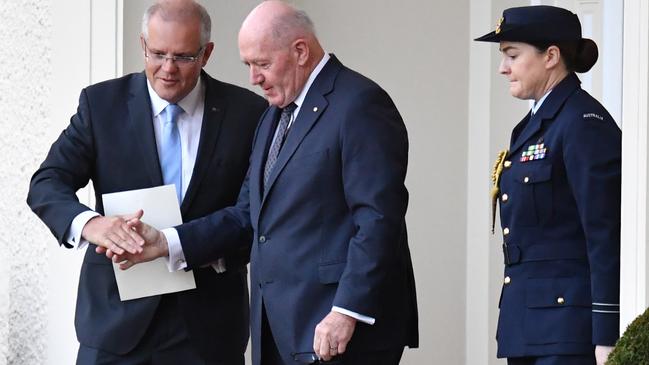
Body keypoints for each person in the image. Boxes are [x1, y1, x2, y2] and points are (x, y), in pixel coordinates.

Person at [107, 1, 419, 364]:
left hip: (339, 332)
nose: (253, 78)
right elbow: (247, 215)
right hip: (281, 331)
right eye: (248, 65)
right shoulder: (274, 116)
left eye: (262, 64)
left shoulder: (359, 104)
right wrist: (166, 242)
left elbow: (379, 219)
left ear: (300, 51)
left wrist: (346, 311)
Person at [26, 1, 267, 364]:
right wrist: (92, 224)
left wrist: (178, 245)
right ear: (142, 46)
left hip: (208, 327)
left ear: (207, 54)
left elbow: (251, 213)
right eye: (157, 54)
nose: (167, 69)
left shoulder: (248, 113)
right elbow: (47, 182)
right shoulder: (101, 104)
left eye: (183, 57)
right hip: (114, 323)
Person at [475, 5, 621, 365]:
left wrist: (608, 334)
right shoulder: (537, 124)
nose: (502, 68)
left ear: (551, 56)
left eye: (512, 55)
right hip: (529, 327)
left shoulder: (582, 122)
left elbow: (606, 233)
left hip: (568, 333)